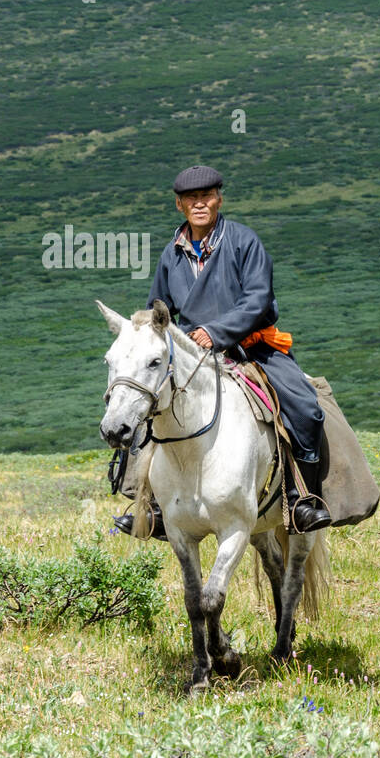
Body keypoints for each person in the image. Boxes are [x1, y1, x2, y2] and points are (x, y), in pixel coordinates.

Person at [113, 165, 332, 537]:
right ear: (179, 205)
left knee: (305, 407)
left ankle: (301, 500)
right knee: (146, 405)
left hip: (250, 348)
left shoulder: (245, 242)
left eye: (207, 196)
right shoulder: (172, 254)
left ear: (219, 199)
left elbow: (258, 300)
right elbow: (159, 309)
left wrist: (214, 332)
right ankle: (151, 504)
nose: (200, 204)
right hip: (193, 359)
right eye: (191, 199)